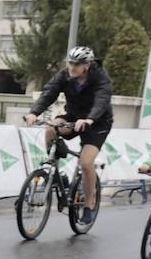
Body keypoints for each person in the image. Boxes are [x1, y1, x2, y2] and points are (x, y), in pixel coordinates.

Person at [24, 45, 113, 224]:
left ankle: (89, 204)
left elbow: (102, 100)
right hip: (73, 117)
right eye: (70, 63)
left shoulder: (100, 77)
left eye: (77, 64)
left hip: (97, 123)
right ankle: (57, 173)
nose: (72, 67)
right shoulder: (65, 75)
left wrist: (90, 119)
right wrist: (34, 113)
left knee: (86, 163)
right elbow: (49, 93)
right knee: (51, 130)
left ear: (87, 65)